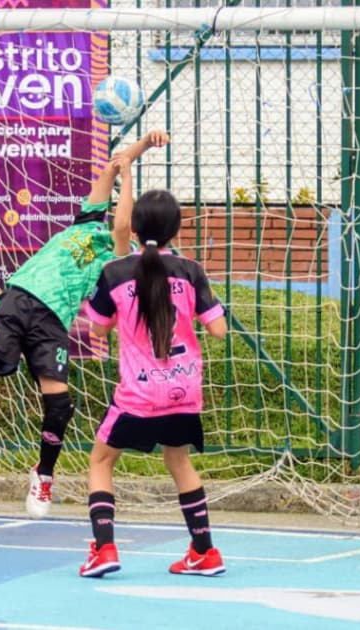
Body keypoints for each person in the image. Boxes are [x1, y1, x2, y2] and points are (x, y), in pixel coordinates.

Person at [0, 131, 170, 519]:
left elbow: (120, 227)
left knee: (59, 405)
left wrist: (130, 178)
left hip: (53, 319)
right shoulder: (87, 221)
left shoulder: (122, 255)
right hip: (20, 294)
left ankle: (43, 475)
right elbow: (111, 168)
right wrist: (141, 148)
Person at [77, 188, 228, 578]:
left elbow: (97, 328)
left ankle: (105, 548)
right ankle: (205, 551)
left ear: (137, 227)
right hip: (184, 389)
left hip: (139, 393)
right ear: (175, 230)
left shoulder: (115, 272)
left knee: (101, 460)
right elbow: (218, 330)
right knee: (178, 459)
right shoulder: (190, 270)